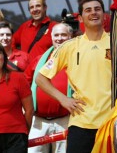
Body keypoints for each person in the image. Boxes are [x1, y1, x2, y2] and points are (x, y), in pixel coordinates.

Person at [36, 0, 111, 153]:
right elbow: (40, 78)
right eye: (88, 10)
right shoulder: (69, 46)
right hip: (81, 123)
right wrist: (63, 99)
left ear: (104, 15)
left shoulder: (116, 43)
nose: (93, 13)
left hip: (111, 122)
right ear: (80, 18)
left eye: (97, 9)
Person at [24, 23, 74, 153]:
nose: (59, 38)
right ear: (51, 37)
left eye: (63, 35)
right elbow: (23, 85)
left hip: (65, 120)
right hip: (38, 121)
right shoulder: (39, 60)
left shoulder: (77, 59)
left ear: (70, 37)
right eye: (56, 35)